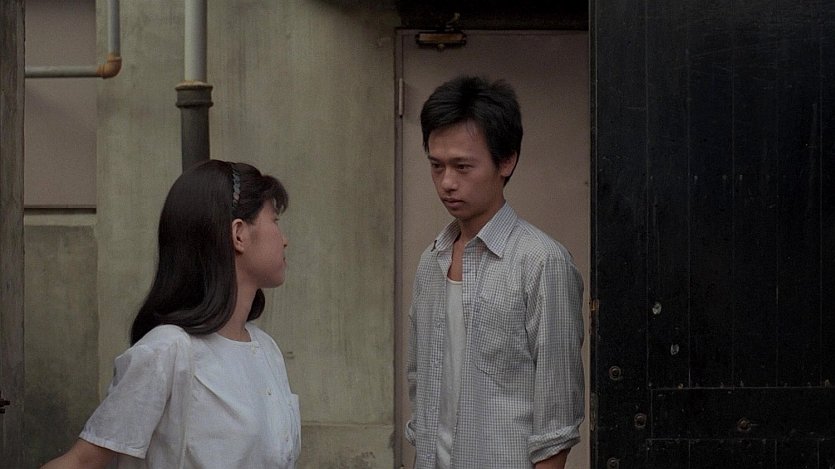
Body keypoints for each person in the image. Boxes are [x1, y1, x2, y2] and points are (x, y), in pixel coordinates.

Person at [42, 160, 301, 469]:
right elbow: (81, 462)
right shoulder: (168, 351)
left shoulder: (266, 349)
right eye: (275, 220)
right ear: (239, 234)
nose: (284, 239)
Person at [405, 76, 584, 469]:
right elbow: (423, 391)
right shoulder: (431, 262)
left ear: (506, 161)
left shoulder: (542, 262)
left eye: (462, 166)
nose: (447, 182)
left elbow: (556, 421)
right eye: (436, 166)